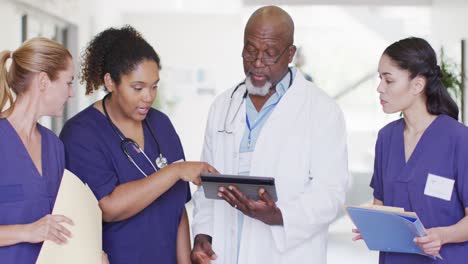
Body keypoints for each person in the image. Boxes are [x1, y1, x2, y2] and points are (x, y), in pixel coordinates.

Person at [191, 6, 348, 264]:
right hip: (226, 250)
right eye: (250, 50)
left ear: (290, 54)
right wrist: (202, 234)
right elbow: (207, 182)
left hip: (287, 253)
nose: (257, 62)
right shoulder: (223, 105)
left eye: (270, 53)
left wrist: (279, 215)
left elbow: (331, 192)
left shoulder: (322, 110)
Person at [59, 26, 217, 264]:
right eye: (138, 87)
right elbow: (109, 207)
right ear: (110, 82)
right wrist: (174, 171)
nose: (148, 97)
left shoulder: (160, 124)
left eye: (154, 86)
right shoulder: (82, 133)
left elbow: (177, 210)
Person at [352, 37, 468, 263]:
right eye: (380, 79)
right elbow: (381, 204)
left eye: (389, 80)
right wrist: (372, 226)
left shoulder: (459, 138)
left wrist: (443, 235)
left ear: (417, 85)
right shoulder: (386, 138)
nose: (380, 88)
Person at [0, 38, 75, 263]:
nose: (71, 93)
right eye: (68, 82)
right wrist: (27, 231)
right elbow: (38, 229)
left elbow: (62, 223)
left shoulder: (55, 147)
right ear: (43, 81)